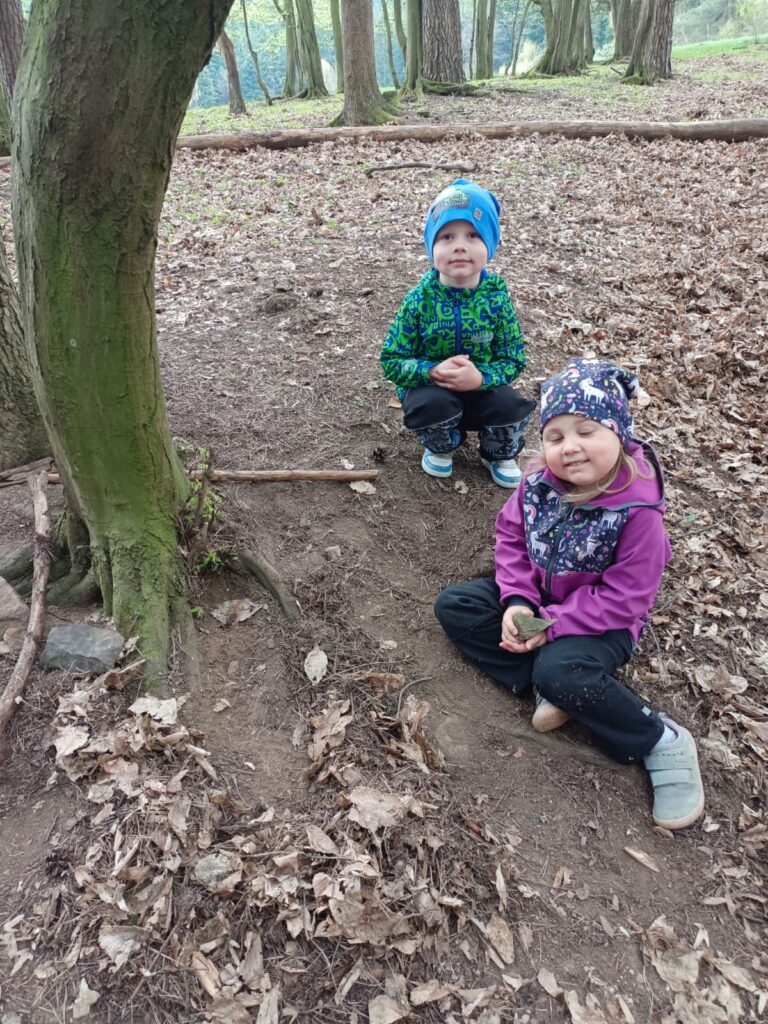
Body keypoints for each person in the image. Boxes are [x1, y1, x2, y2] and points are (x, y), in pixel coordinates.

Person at [434, 359, 705, 831]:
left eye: (586, 431)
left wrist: (553, 626)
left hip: (602, 624)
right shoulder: (536, 483)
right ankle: (548, 685)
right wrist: (518, 602)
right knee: (456, 606)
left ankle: (658, 740)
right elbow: (511, 537)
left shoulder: (638, 512)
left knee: (562, 669)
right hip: (539, 599)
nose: (570, 447)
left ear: (618, 431)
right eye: (555, 437)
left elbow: (627, 598)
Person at [380, 179, 535, 488]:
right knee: (429, 405)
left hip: (481, 390)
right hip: (433, 391)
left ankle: (497, 452)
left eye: (473, 235)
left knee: (511, 404)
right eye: (447, 236)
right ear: (432, 247)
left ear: (489, 244)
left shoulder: (496, 299)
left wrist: (481, 378)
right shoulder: (419, 300)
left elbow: (513, 359)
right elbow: (392, 360)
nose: (459, 245)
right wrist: (430, 371)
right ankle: (442, 444)